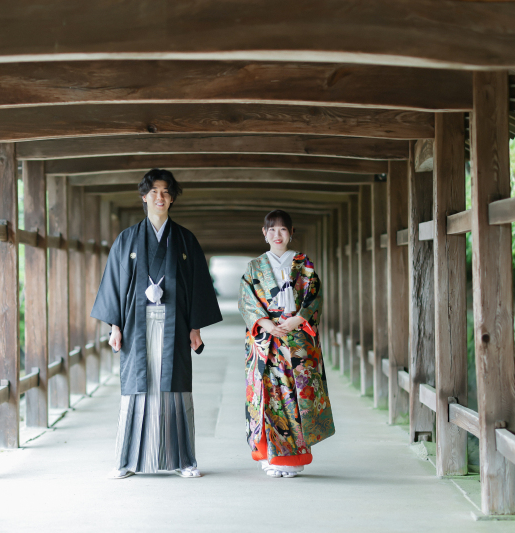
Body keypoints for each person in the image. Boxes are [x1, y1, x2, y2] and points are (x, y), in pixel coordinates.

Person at [91, 169, 222, 479]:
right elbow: (114, 283)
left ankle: (183, 460)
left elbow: (197, 285)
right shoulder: (127, 239)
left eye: (165, 192)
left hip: (174, 325)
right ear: (144, 197)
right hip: (137, 324)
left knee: (173, 390)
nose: (159, 197)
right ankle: (127, 461)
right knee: (138, 389)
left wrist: (195, 327)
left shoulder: (185, 240)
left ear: (171, 198)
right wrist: (115, 326)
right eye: (154, 192)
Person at [238, 209, 335, 478]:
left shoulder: (304, 264)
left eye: (282, 229)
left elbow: (315, 297)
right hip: (266, 340)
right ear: (264, 233)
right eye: (271, 229)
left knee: (294, 397)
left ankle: (293, 458)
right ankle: (269, 454)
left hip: (296, 339)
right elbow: (247, 301)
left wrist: (297, 320)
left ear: (291, 233)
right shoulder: (255, 267)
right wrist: (267, 324)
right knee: (268, 396)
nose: (277, 234)